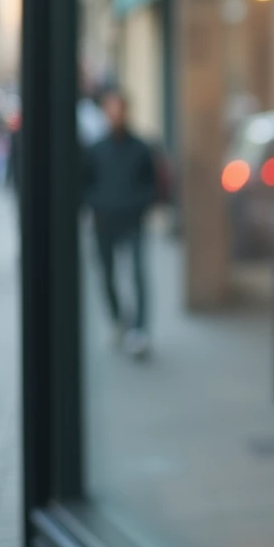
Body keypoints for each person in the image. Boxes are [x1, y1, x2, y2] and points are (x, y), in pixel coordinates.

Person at [83, 91, 157, 357]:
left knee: (138, 273)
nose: (115, 115)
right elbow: (84, 184)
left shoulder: (140, 147)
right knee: (107, 275)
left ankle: (139, 329)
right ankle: (117, 320)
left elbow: (152, 184)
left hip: (133, 220)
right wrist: (97, 204)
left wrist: (139, 204)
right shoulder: (95, 149)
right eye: (110, 110)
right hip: (104, 221)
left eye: (119, 110)